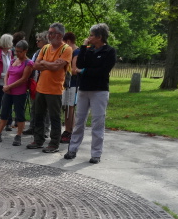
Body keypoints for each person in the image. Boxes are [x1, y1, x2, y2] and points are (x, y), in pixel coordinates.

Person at [65, 23, 116, 164]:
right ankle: (72, 149)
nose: (89, 38)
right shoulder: (88, 50)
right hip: (83, 89)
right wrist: (83, 48)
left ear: (99, 37)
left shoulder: (110, 51)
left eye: (92, 36)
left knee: (97, 122)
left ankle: (96, 154)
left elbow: (103, 71)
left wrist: (85, 71)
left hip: (99, 91)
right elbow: (80, 64)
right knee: (79, 121)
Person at [27, 22, 72, 153]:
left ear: (59, 35)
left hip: (55, 89)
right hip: (41, 87)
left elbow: (57, 67)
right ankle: (38, 140)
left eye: (51, 33)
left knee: (54, 117)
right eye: (49, 32)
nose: (49, 35)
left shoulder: (66, 49)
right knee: (38, 115)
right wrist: (50, 64)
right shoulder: (45, 48)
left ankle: (54, 143)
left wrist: (44, 63)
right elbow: (35, 65)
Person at [0, 40, 33, 146]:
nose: (18, 54)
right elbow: (7, 74)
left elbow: (24, 79)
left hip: (19, 93)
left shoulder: (28, 63)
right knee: (4, 112)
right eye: (16, 51)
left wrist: (9, 86)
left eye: (20, 52)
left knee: (19, 114)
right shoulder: (13, 61)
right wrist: (6, 86)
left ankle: (18, 135)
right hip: (8, 91)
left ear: (25, 51)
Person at [23, 32, 48, 136]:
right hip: (36, 82)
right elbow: (33, 65)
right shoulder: (37, 52)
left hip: (46, 83)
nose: (37, 42)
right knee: (34, 107)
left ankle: (45, 129)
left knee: (45, 108)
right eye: (36, 40)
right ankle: (32, 126)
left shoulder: (49, 51)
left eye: (39, 41)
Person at [61, 32, 79, 144]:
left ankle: (70, 131)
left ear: (68, 41)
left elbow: (73, 70)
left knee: (70, 107)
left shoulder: (76, 52)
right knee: (66, 107)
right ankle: (67, 129)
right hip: (67, 84)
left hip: (73, 84)